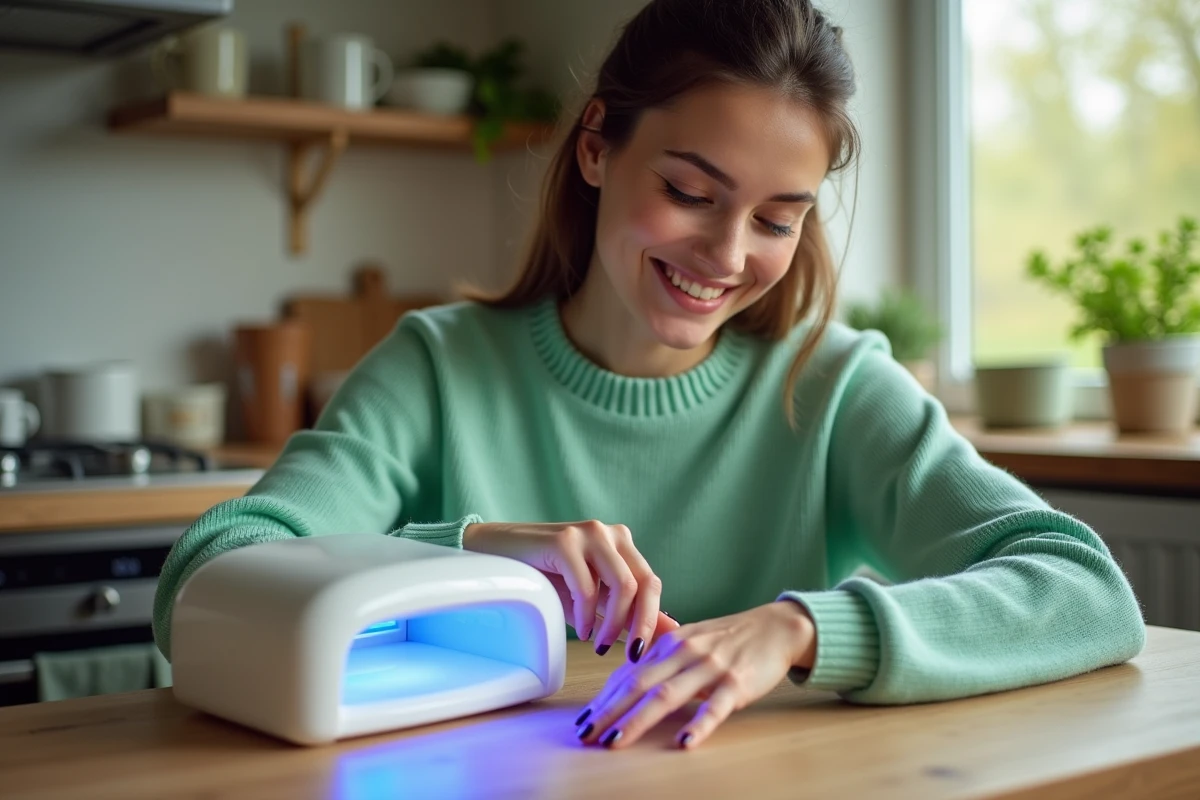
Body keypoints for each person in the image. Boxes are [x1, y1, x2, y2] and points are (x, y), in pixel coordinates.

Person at [153, 0, 1145, 752]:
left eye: (776, 216)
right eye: (689, 192)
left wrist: (799, 627)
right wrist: (472, 555)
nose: (725, 252)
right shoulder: (438, 365)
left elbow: (1088, 588)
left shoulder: (836, 386)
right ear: (595, 146)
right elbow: (206, 581)